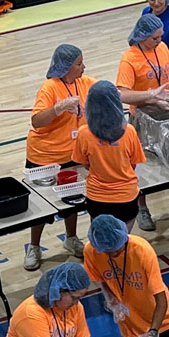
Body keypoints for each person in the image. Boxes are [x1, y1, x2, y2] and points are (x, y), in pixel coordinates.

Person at [117, 13, 169, 229]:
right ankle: (142, 208)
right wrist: (150, 96)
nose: (159, 41)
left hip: (168, 110)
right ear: (142, 36)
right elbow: (121, 94)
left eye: (160, 37)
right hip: (143, 117)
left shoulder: (162, 48)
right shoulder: (129, 59)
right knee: (144, 166)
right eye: (155, 38)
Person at [23, 44, 93, 271]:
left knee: (72, 198)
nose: (83, 67)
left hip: (73, 153)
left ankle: (71, 238)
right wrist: (59, 108)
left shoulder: (85, 83)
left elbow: (110, 92)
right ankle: (34, 246)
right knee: (41, 208)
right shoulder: (49, 88)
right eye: (79, 64)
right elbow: (36, 121)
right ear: (65, 67)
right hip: (45, 156)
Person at [72, 80, 147, 230]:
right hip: (126, 197)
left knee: (100, 242)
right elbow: (134, 162)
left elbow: (84, 163)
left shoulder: (84, 133)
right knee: (123, 242)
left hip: (97, 198)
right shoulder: (129, 131)